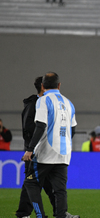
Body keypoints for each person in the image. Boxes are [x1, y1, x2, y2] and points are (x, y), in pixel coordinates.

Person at [21, 72, 79, 218]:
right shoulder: (69, 102)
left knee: (31, 183)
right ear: (59, 85)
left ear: (42, 85)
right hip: (63, 153)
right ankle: (61, 216)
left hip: (45, 152)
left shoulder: (43, 100)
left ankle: (40, 216)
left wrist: (30, 149)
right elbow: (72, 129)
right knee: (60, 190)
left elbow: (40, 126)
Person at [16, 76, 57, 218]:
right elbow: (28, 129)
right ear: (42, 86)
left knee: (48, 184)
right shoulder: (34, 105)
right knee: (32, 183)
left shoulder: (43, 103)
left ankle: (60, 212)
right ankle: (23, 214)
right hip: (35, 152)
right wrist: (31, 148)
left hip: (45, 152)